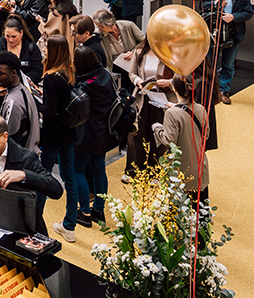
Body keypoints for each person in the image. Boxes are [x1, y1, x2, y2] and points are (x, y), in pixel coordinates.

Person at [0, 113, 63, 233]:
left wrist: (24, 175)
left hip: (21, 225)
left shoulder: (26, 158)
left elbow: (56, 190)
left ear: (4, 136)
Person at [39, 36, 81, 242]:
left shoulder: (51, 78)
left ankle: (35, 219)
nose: (44, 49)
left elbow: (49, 111)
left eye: (47, 47)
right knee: (69, 177)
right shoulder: (70, 72)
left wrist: (35, 100)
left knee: (43, 178)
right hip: (69, 132)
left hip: (53, 134)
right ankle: (69, 226)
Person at [73, 46, 115, 227]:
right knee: (99, 169)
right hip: (104, 131)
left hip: (85, 134)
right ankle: (99, 209)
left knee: (77, 171)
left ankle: (84, 212)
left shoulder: (83, 85)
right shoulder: (105, 75)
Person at [201, 0, 254, 103]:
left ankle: (224, 91)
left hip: (233, 33)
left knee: (228, 64)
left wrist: (233, 17)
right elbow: (201, 5)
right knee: (209, 62)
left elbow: (249, 12)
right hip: (213, 32)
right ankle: (208, 90)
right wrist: (214, 3)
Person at [152, 76, 210, 202]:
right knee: (200, 211)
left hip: (180, 170)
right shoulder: (201, 109)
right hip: (199, 167)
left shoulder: (172, 113)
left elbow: (169, 141)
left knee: (178, 211)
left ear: (174, 88)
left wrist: (157, 127)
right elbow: (207, 135)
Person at [123, 36, 175, 178]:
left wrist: (169, 82)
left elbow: (180, 76)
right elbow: (132, 73)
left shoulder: (170, 53)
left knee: (158, 135)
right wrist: (139, 81)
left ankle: (155, 173)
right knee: (137, 134)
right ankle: (134, 171)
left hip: (162, 99)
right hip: (142, 96)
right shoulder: (139, 52)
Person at [0, 17, 43, 109]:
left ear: (21, 33)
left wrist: (18, 82)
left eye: (14, 36)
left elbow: (38, 71)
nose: (10, 40)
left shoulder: (31, 47)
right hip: (0, 95)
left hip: (24, 95)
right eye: (7, 36)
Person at [0, 50, 40, 152]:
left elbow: (9, 139)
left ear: (13, 73)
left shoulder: (13, 102)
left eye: (0, 73)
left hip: (21, 160)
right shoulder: (24, 90)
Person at [94, 9, 144, 77]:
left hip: (132, 64)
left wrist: (134, 52)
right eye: (98, 27)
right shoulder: (99, 34)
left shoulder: (128, 25)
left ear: (109, 24)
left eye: (101, 27)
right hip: (114, 67)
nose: (99, 29)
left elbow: (144, 41)